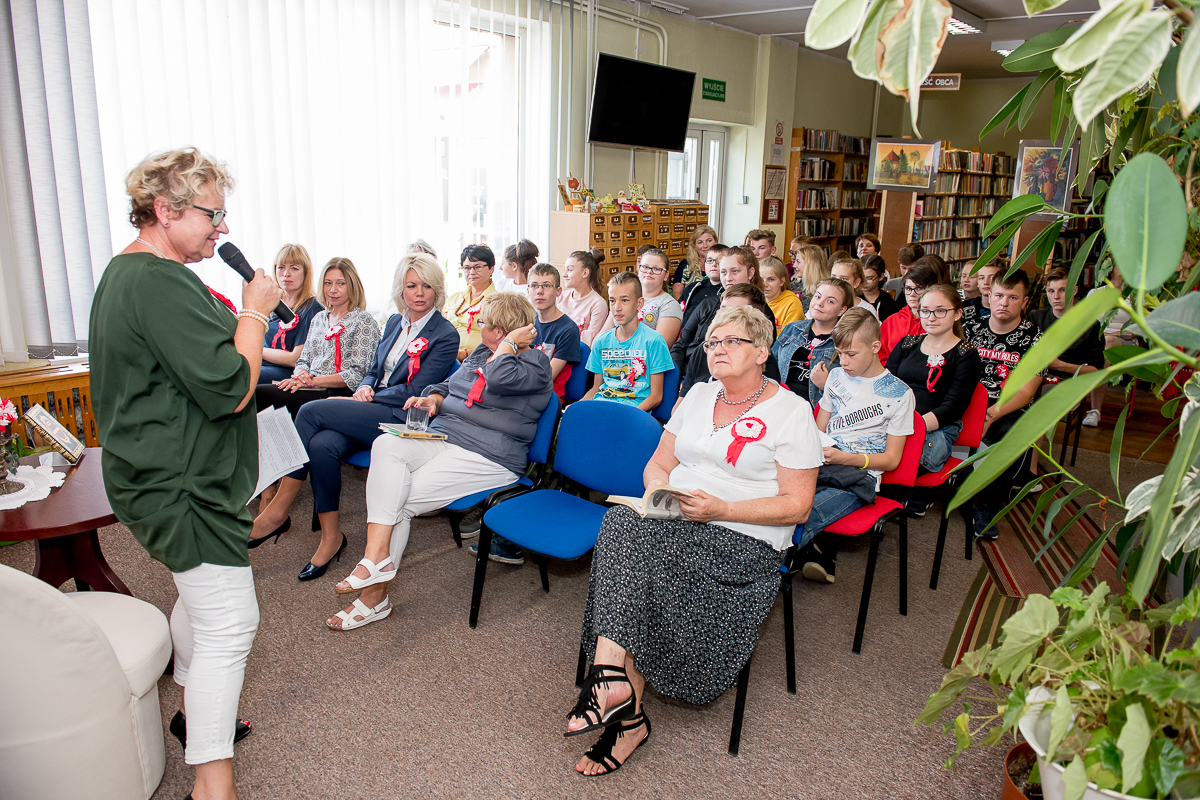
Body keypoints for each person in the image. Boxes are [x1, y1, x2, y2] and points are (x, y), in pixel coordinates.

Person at [89, 147, 283, 800]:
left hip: (159, 478)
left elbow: (204, 346)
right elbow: (230, 386)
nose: (222, 229)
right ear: (166, 210)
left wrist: (256, 332)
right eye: (212, 215)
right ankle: (212, 782)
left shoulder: (138, 272)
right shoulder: (157, 281)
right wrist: (255, 309)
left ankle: (199, 711)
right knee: (231, 622)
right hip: (183, 489)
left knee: (196, 604)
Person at [568, 305, 821, 776]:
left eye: (731, 341)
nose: (717, 349)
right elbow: (659, 463)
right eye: (711, 342)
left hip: (742, 539)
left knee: (628, 543)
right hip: (677, 520)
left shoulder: (792, 412)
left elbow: (797, 505)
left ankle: (616, 698)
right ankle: (618, 697)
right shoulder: (699, 395)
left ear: (763, 351)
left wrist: (722, 509)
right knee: (627, 528)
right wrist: (658, 495)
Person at [327, 292, 554, 628]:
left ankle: (374, 598)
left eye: (489, 326)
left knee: (400, 500)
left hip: (489, 456)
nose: (481, 329)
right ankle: (376, 559)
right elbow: (450, 383)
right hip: (447, 435)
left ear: (505, 333)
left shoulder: (535, 365)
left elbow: (499, 377)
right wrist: (434, 397)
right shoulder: (483, 352)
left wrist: (508, 346)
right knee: (385, 445)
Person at [250, 252, 459, 580]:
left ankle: (277, 509)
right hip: (372, 406)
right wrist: (364, 386)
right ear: (400, 290)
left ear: (437, 291)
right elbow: (373, 370)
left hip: (400, 416)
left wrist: (371, 393)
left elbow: (414, 389)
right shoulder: (394, 322)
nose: (419, 293)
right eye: (411, 285)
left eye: (427, 286)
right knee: (322, 445)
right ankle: (331, 538)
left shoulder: (445, 334)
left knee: (308, 412)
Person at [795, 308, 915, 584]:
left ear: (875, 347)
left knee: (804, 513)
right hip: (824, 464)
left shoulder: (899, 394)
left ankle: (778, 564)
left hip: (858, 478)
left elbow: (892, 460)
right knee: (778, 496)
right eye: (840, 353)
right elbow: (819, 428)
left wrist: (845, 458)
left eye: (852, 354)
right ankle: (812, 554)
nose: (844, 361)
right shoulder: (836, 377)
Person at [885, 285, 982, 514]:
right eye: (925, 310)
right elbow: (885, 387)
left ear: (957, 313)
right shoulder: (907, 344)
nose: (931, 317)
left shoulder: (966, 354)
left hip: (936, 426)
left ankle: (891, 496)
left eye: (940, 311)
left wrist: (912, 427)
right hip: (893, 420)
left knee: (917, 451)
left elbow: (954, 406)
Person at [964, 270, 1045, 539]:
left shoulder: (1036, 339)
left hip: (1007, 405)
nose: (1004, 302)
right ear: (989, 294)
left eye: (1013, 297)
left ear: (1025, 301)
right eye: (999, 295)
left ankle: (987, 505)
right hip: (968, 398)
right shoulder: (971, 328)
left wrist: (991, 414)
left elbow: (1026, 392)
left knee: (1012, 435)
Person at [253, 257, 380, 419]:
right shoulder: (319, 318)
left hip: (337, 391)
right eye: (328, 283)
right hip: (311, 385)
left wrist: (312, 381)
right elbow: (303, 360)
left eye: (340, 283)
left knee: (261, 395)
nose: (333, 290)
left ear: (353, 285)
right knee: (260, 392)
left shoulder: (363, 320)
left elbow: (357, 375)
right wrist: (301, 374)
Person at [672, 247, 775, 394]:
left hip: (725, 381)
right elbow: (680, 345)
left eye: (735, 271)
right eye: (723, 272)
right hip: (689, 376)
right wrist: (678, 380)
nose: (728, 278)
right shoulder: (708, 304)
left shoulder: (762, 313)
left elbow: (754, 360)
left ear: (751, 273)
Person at [677, 283, 783, 402]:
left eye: (735, 311)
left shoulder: (763, 358)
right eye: (722, 310)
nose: (725, 316)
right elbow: (680, 406)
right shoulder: (703, 350)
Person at [584, 271, 673, 411]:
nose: (617, 308)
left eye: (624, 300)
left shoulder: (654, 341)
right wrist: (577, 407)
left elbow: (656, 396)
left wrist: (630, 416)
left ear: (639, 303)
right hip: (603, 407)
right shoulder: (601, 342)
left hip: (633, 412)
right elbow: (596, 388)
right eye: (612, 301)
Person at [773, 277, 854, 407]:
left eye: (830, 301)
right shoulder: (793, 329)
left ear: (842, 310)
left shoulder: (844, 342)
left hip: (812, 407)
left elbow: (850, 392)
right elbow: (770, 364)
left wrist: (826, 385)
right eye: (817, 296)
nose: (820, 303)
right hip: (779, 399)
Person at [259, 244, 323, 384]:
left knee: (245, 375)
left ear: (306, 272)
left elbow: (295, 359)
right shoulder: (269, 302)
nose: (286, 274)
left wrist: (257, 349)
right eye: (281, 267)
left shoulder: (313, 308)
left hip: (290, 373)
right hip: (261, 365)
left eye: (294, 268)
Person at [596, 248, 684, 347]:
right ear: (638, 269)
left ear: (666, 275)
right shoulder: (622, 297)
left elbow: (658, 347)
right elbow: (599, 340)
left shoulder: (670, 305)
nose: (649, 272)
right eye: (645, 267)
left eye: (656, 269)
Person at [528, 262, 583, 399]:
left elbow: (547, 377)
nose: (539, 291)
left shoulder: (568, 329)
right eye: (534, 286)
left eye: (546, 286)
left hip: (546, 397)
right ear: (528, 290)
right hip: (524, 389)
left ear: (558, 291)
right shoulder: (527, 324)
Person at [879, 259, 943, 363]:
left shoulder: (939, 322)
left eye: (919, 288)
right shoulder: (891, 321)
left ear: (930, 289)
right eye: (908, 289)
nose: (912, 294)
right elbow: (879, 351)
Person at [448, 244, 498, 360]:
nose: (471, 272)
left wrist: (462, 354)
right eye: (467, 268)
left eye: (477, 267)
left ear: (491, 269)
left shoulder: (499, 302)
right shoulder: (453, 298)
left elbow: (500, 343)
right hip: (447, 357)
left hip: (479, 361)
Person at [559, 249, 609, 346]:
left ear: (585, 273)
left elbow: (589, 344)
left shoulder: (598, 304)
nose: (564, 274)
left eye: (569, 270)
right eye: (564, 270)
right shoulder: (560, 297)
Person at [680, 243, 725, 320]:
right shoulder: (693, 287)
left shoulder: (728, 292)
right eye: (710, 260)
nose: (714, 264)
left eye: (719, 260)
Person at [672, 224, 718, 299]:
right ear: (694, 245)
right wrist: (684, 307)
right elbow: (677, 292)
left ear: (715, 241)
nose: (705, 245)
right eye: (700, 242)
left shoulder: (723, 264)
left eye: (709, 241)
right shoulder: (686, 265)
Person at [760, 256, 804, 335]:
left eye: (771, 279)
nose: (764, 284)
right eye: (761, 279)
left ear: (781, 281)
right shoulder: (751, 300)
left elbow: (788, 338)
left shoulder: (792, 303)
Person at [791, 243, 830, 312]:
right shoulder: (794, 286)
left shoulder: (826, 290)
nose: (794, 265)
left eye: (798, 262)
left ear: (810, 265)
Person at [862, 254, 900, 321]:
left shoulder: (888, 303)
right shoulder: (853, 298)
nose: (864, 282)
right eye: (861, 277)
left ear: (881, 277)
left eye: (869, 278)